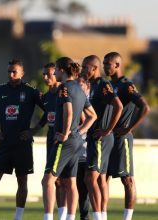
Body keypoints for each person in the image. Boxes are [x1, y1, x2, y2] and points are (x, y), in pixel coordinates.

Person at [0, 59, 45, 220]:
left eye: (14, 71)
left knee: (22, 181)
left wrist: (34, 130)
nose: (11, 74)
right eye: (9, 71)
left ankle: (18, 217)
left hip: (22, 144)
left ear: (22, 73)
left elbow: (48, 110)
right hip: (5, 143)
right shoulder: (1, 90)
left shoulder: (31, 91)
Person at [42, 57, 97, 220]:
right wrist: (79, 133)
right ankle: (70, 218)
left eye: (56, 70)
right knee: (70, 182)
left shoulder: (64, 87)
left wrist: (66, 133)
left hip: (64, 141)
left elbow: (69, 111)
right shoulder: (80, 89)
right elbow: (93, 116)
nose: (55, 73)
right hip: (77, 142)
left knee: (47, 180)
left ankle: (48, 218)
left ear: (61, 70)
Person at [103, 52, 150, 220]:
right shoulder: (108, 85)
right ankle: (101, 216)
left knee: (127, 179)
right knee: (103, 178)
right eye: (103, 63)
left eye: (108, 63)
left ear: (117, 64)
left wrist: (129, 128)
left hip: (122, 138)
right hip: (107, 137)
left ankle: (127, 218)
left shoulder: (126, 85)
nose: (104, 66)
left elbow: (145, 107)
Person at [81, 55, 123, 220]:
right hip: (94, 137)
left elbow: (118, 106)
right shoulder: (90, 86)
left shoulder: (102, 84)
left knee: (90, 178)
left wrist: (107, 129)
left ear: (94, 68)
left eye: (85, 67)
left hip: (101, 138)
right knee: (99, 180)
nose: (83, 70)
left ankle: (98, 217)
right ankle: (102, 215)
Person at [41, 63, 68, 220]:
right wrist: (33, 129)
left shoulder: (64, 91)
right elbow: (46, 116)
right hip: (51, 138)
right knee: (56, 181)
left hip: (64, 140)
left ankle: (64, 216)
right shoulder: (46, 96)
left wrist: (68, 133)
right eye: (44, 74)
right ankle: (61, 215)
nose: (45, 77)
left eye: (49, 74)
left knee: (65, 180)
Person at [76, 76, 91, 220]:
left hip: (89, 151)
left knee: (89, 187)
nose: (78, 88)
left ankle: (98, 215)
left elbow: (91, 118)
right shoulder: (75, 101)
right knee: (78, 187)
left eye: (80, 85)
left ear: (87, 87)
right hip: (76, 151)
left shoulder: (90, 103)